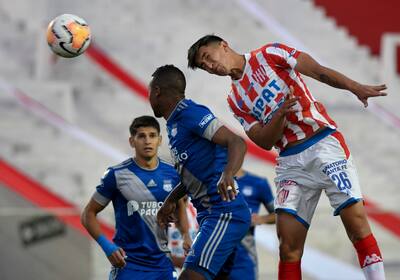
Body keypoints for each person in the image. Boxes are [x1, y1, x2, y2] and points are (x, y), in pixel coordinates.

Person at [187, 35, 386, 280]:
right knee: (288, 248)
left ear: (224, 45)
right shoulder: (235, 99)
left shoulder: (270, 53)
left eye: (207, 57)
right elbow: (263, 140)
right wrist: (279, 115)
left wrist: (354, 87)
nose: (208, 65)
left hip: (323, 143)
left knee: (356, 226)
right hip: (290, 162)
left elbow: (318, 71)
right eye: (203, 66)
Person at [149, 64, 252, 280]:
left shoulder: (190, 113)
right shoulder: (175, 124)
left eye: (150, 91)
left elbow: (237, 142)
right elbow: (194, 175)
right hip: (210, 216)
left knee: (189, 277)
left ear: (157, 90)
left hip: (224, 213)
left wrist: (228, 173)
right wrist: (170, 200)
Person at [81, 116, 191, 280]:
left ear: (160, 140)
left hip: (163, 266)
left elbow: (181, 205)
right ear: (132, 141)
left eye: (152, 135)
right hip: (128, 265)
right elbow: (88, 214)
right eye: (141, 136)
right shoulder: (116, 175)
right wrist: (107, 247)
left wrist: (186, 235)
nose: (147, 141)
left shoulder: (174, 175)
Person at [230, 168, 275, 280]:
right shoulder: (212, 181)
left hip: (244, 257)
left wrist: (260, 219)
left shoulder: (258, 183)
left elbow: (280, 214)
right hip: (215, 256)